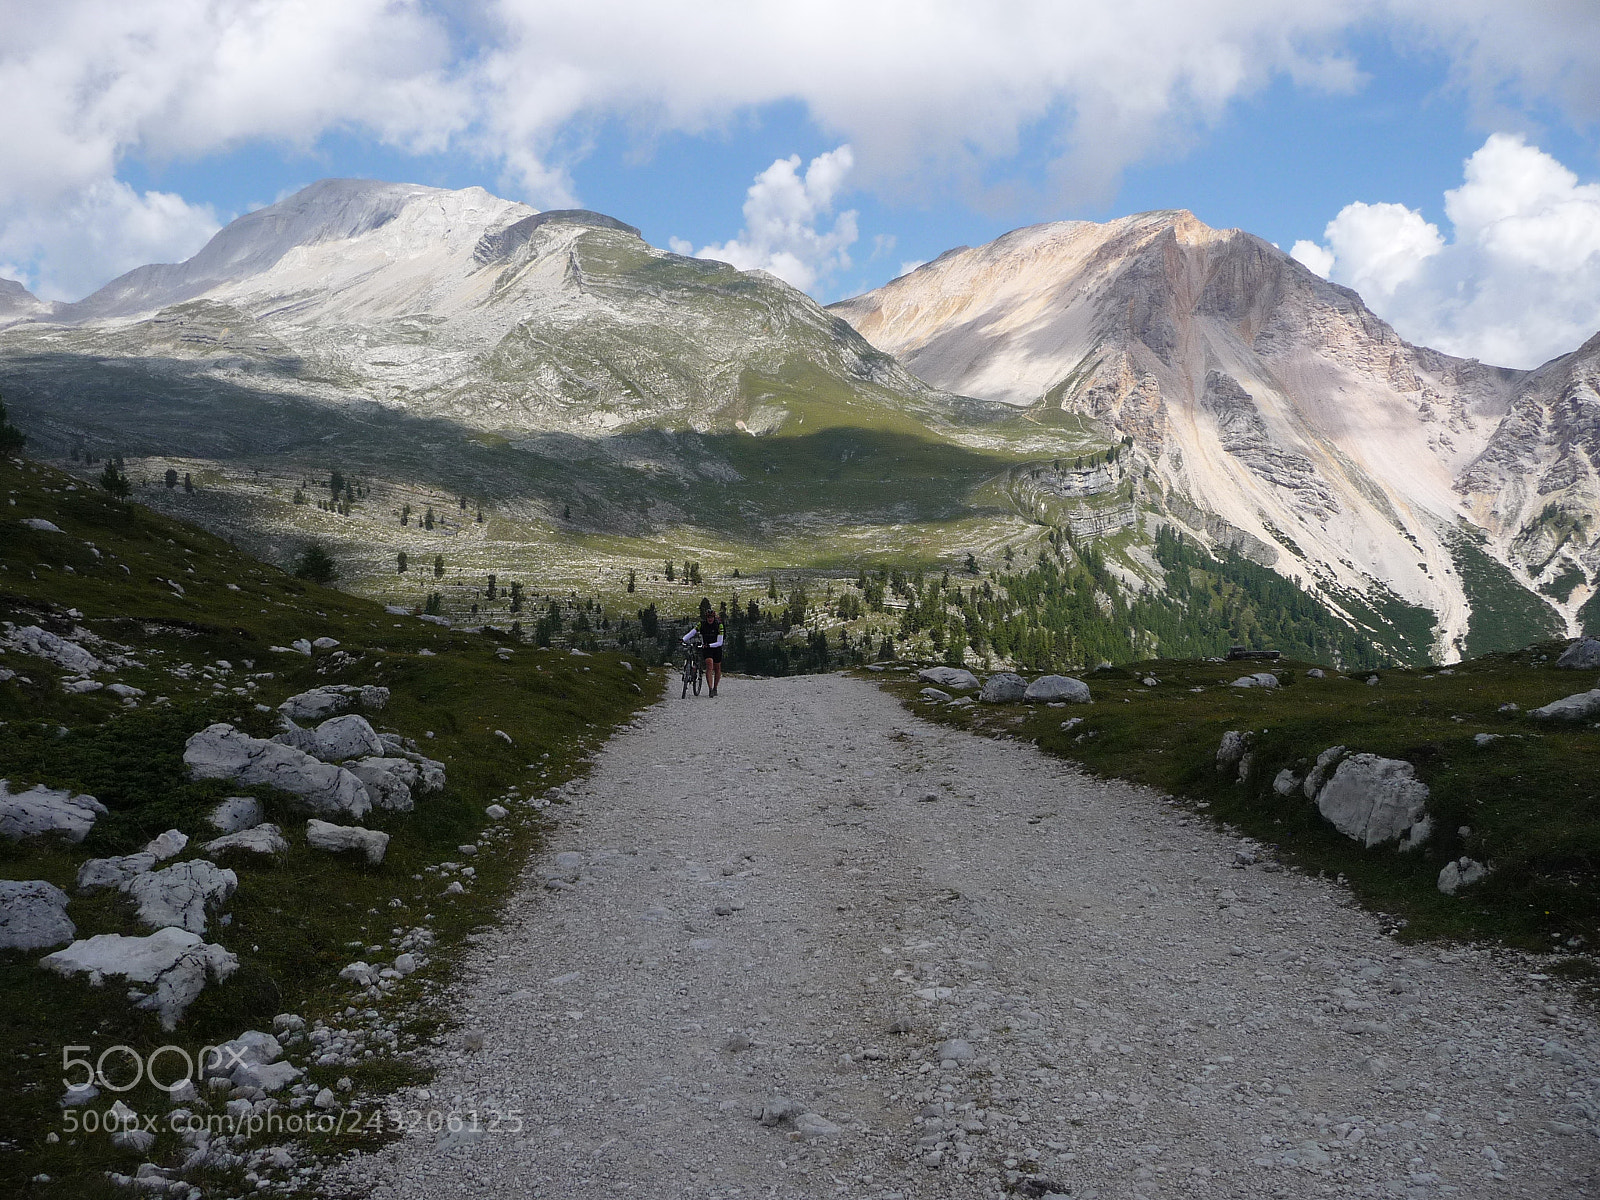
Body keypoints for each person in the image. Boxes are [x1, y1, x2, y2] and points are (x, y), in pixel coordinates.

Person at [694, 597, 724, 696]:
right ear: (706, 618)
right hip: (707, 648)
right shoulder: (702, 624)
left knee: (717, 668)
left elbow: (720, 642)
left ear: (714, 618)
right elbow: (692, 632)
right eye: (708, 618)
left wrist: (710, 645)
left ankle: (715, 687)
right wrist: (683, 639)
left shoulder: (719, 625)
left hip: (716, 647)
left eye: (711, 617)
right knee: (709, 664)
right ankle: (710, 689)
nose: (710, 619)